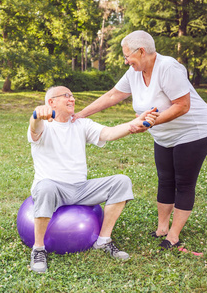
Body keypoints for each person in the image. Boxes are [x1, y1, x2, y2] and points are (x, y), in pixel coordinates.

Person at [73, 30, 207, 251]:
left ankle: (174, 235)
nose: (126, 60)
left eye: (127, 55)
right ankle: (161, 228)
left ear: (141, 51)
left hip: (193, 131)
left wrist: (150, 124)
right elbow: (112, 95)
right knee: (165, 178)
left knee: (183, 182)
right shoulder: (134, 73)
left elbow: (182, 106)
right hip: (164, 135)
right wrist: (81, 114)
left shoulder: (168, 67)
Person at [28, 85, 159, 273]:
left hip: (80, 189)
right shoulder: (43, 125)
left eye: (72, 95)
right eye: (66, 96)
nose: (72, 99)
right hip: (52, 188)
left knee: (121, 181)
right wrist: (36, 115)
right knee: (46, 186)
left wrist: (134, 124)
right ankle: (38, 249)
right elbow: (35, 129)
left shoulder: (81, 124)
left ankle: (103, 240)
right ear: (51, 102)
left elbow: (108, 133)